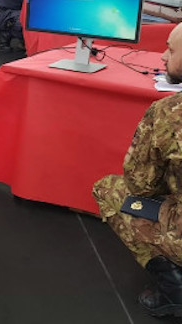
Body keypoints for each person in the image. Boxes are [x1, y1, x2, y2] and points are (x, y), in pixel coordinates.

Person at [92, 22, 182, 318]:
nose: (163, 58)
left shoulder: (169, 112)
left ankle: (175, 288)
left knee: (109, 188)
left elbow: (140, 182)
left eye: (170, 49)